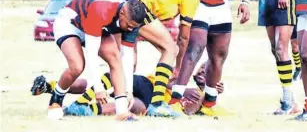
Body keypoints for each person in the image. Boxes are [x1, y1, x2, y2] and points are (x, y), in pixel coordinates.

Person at [112, 0, 215, 117]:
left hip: (117, 3)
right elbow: (183, 37)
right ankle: (157, 103)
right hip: (135, 5)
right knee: (170, 49)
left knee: (127, 61)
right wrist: (178, 67)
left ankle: (100, 100)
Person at [47, 0, 147, 121]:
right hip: (71, 23)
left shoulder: (132, 21)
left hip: (95, 26)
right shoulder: (101, 10)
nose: (131, 29)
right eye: (128, 25)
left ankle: (122, 112)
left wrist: (129, 90)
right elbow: (92, 54)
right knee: (77, 66)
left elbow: (127, 58)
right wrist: (98, 88)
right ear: (122, 13)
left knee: (115, 58)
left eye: (134, 26)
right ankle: (56, 99)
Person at [30, 61, 224, 116]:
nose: (201, 72)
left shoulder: (201, 99)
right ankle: (52, 89)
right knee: (96, 86)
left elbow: (194, 111)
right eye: (201, 69)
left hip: (147, 101)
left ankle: (64, 104)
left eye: (205, 72)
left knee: (126, 105)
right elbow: (169, 75)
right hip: (146, 86)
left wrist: (203, 93)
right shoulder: (183, 78)